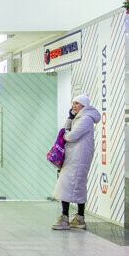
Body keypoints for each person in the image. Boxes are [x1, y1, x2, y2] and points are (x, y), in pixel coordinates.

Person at [52, 93, 101, 231]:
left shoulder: (86, 119)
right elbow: (65, 130)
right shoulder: (79, 118)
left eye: (77, 103)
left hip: (78, 158)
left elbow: (71, 136)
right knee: (74, 185)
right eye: (73, 103)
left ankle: (66, 218)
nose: (74, 106)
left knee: (67, 185)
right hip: (74, 157)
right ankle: (79, 218)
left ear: (84, 105)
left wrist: (64, 135)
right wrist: (70, 118)